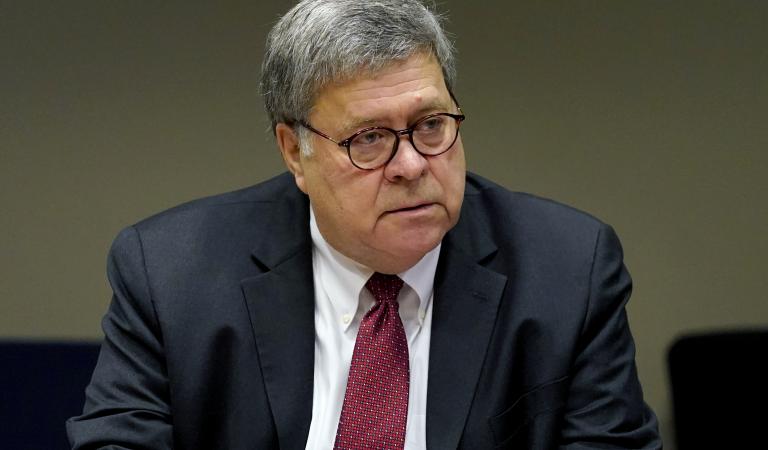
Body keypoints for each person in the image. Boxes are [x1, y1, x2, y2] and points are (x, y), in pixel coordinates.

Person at [67, 0, 661, 448]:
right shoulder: (172, 271)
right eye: (369, 138)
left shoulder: (567, 268)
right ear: (294, 151)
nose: (411, 165)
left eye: (431, 124)